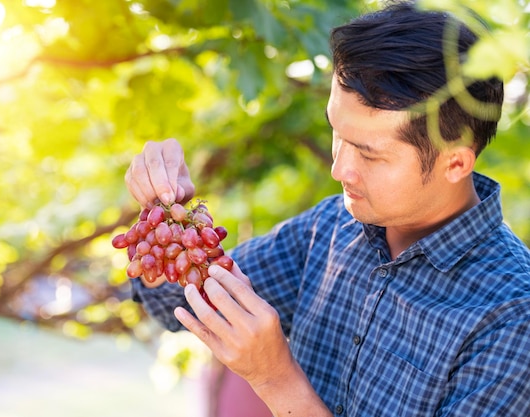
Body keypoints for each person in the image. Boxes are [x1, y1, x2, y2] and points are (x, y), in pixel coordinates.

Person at [124, 1, 530, 416]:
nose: (340, 169)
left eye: (369, 154)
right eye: (337, 133)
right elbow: (182, 303)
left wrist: (274, 379)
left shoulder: (514, 315)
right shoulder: (332, 225)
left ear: (456, 162)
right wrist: (166, 226)